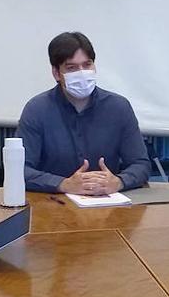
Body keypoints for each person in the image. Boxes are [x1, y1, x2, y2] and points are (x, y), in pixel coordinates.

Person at [18, 31, 150, 194]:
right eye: (71, 68)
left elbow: (141, 165)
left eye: (87, 65)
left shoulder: (119, 107)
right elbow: (20, 170)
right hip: (54, 206)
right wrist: (63, 184)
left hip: (109, 208)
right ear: (56, 73)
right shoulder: (37, 110)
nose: (81, 73)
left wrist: (119, 182)